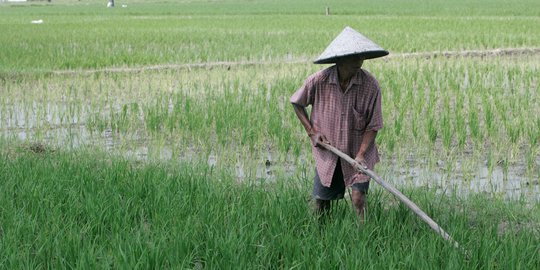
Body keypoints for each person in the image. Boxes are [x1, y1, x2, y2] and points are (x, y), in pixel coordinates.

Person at [290, 26, 388, 223]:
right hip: (329, 152)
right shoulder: (319, 80)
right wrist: (312, 132)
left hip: (358, 152)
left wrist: (360, 154)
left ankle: (365, 238)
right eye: (354, 58)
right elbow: (297, 103)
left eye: (362, 57)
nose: (359, 62)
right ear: (340, 60)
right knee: (321, 203)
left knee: (359, 199)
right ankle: (320, 238)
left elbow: (373, 125)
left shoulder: (370, 85)